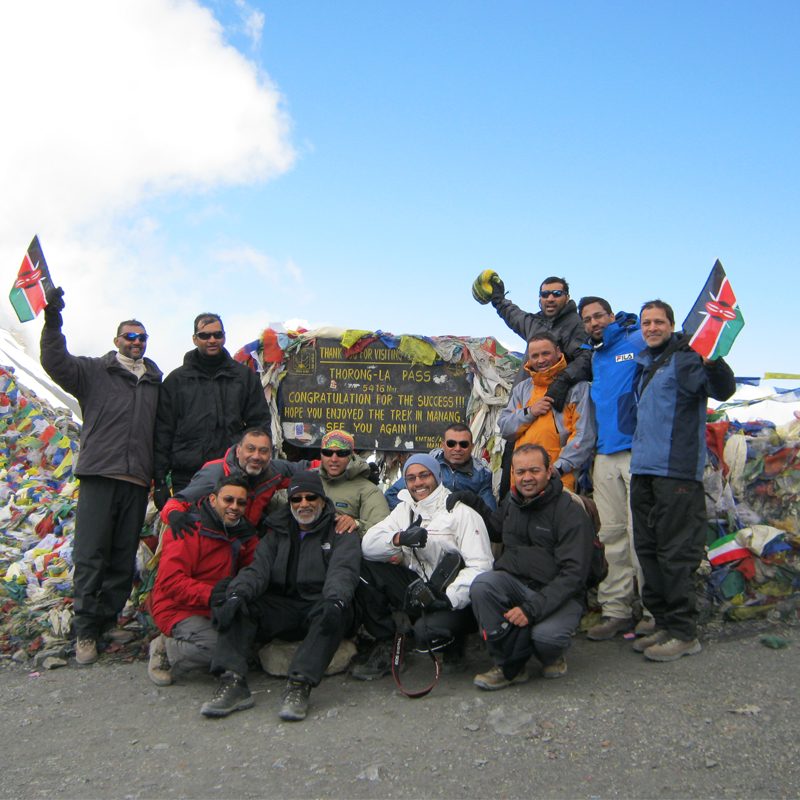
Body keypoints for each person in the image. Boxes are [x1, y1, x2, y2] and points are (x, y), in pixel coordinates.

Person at [39, 286, 162, 665]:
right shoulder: (93, 370)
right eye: (130, 336)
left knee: (122, 556)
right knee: (91, 552)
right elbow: (55, 362)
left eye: (142, 337)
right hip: (98, 473)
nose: (136, 342)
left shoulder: (156, 381)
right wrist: (53, 320)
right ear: (117, 340)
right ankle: (85, 630)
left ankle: (108, 621)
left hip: (137, 479)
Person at [200, 472, 361, 722]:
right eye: (297, 499)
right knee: (240, 602)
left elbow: (343, 570)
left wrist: (335, 599)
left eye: (310, 497)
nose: (304, 504)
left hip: (320, 603)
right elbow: (258, 569)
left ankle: (299, 684)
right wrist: (236, 594)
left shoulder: (340, 529)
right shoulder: (277, 529)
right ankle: (231, 682)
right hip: (284, 605)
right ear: (290, 501)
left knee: (337, 610)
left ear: (321, 499)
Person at [630, 300, 735, 662]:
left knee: (675, 553)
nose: (652, 327)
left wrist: (713, 360)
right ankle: (663, 621)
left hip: (675, 473)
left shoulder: (686, 358)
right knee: (648, 549)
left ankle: (684, 632)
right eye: (647, 322)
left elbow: (722, 389)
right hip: (643, 470)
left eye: (659, 321)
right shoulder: (647, 364)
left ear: (672, 325)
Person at [353, 454, 494, 679]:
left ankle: (454, 645)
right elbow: (368, 546)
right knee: (364, 567)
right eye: (411, 478)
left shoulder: (460, 512)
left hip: (455, 600)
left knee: (427, 633)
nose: (418, 483)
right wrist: (399, 538)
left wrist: (449, 597)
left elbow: (481, 566)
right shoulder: (405, 509)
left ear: (436, 476)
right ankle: (387, 641)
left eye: (424, 475)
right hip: (419, 588)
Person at [468, 444, 594, 690]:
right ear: (513, 474)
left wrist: (530, 610)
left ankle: (552, 656)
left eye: (534, 471)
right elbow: (495, 529)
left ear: (549, 472)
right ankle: (508, 666)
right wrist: (473, 503)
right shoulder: (512, 502)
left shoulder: (569, 511)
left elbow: (574, 575)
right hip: (517, 584)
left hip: (559, 593)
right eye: (521, 471)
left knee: (544, 639)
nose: (527, 478)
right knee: (482, 586)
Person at [578, 296, 653, 641]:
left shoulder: (637, 338)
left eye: (599, 316)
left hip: (637, 450)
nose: (594, 322)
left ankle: (653, 612)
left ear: (611, 315)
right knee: (611, 535)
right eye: (588, 319)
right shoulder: (594, 354)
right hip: (604, 454)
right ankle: (616, 611)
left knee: (643, 534)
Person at [148, 476, 258, 685]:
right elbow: (170, 582)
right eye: (228, 500)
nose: (234, 507)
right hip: (178, 607)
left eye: (241, 503)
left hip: (216, 605)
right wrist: (211, 594)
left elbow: (253, 566)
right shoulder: (188, 528)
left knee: (246, 648)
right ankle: (166, 650)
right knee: (220, 652)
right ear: (213, 499)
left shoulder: (241, 532)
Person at [153, 313, 271, 502]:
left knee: (229, 529)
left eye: (217, 335)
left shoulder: (244, 377)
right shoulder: (176, 381)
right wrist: (159, 481)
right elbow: (162, 431)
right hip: (187, 474)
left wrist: (254, 462)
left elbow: (259, 423)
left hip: (232, 473)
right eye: (205, 335)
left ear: (224, 336)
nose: (212, 340)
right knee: (188, 529)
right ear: (194, 339)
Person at [160, 428, 308, 534]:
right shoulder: (215, 473)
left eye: (263, 451)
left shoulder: (273, 471)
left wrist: (330, 456)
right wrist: (174, 515)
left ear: (270, 454)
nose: (256, 456)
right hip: (215, 538)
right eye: (250, 449)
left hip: (248, 538)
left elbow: (307, 469)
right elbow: (178, 502)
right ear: (238, 451)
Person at [498, 333, 595, 491]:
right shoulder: (522, 389)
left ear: (558, 352)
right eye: (535, 356)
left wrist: (558, 468)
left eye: (545, 353)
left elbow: (583, 436)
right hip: (522, 480)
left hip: (560, 479)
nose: (541, 360)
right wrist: (530, 412)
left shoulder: (578, 388)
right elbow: (505, 429)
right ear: (529, 358)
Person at [384, 423, 497, 512]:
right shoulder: (425, 465)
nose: (457, 448)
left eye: (463, 444)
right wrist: (419, 514)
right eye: (451, 444)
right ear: (442, 445)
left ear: (472, 447)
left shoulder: (482, 474)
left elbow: (490, 513)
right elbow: (391, 496)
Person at [316, 429, 390, 534]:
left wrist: (357, 524)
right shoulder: (309, 481)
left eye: (341, 453)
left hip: (345, 548)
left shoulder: (368, 490)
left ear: (351, 455)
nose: (334, 459)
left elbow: (383, 530)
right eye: (327, 452)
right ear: (321, 454)